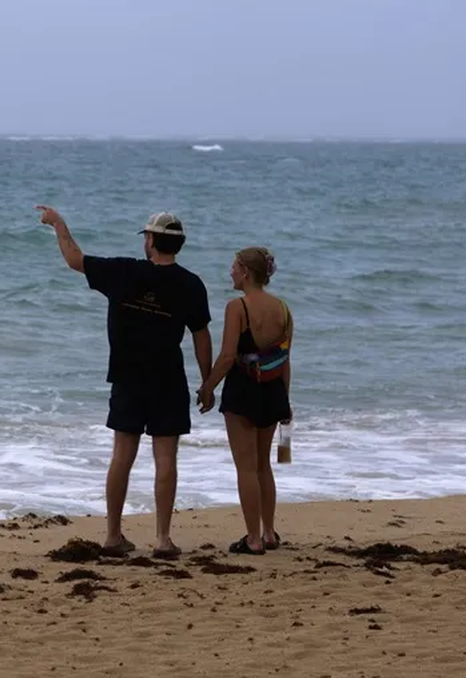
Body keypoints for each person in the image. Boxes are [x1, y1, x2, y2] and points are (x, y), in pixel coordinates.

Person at [38, 205, 213, 559]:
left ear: (150, 241)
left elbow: (75, 259)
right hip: (168, 378)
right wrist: (208, 381)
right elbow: (201, 335)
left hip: (128, 377)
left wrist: (59, 223)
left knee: (122, 456)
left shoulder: (123, 272)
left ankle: (114, 535)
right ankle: (163, 539)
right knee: (166, 458)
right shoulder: (191, 284)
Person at [198, 247, 293, 555]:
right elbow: (284, 359)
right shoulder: (283, 309)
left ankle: (252, 538)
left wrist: (208, 387)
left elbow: (228, 357)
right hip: (274, 390)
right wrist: (285, 402)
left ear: (246, 273)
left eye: (234, 266)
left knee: (246, 468)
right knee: (264, 465)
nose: (230, 271)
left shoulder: (237, 307)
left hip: (243, 392)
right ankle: (268, 533)